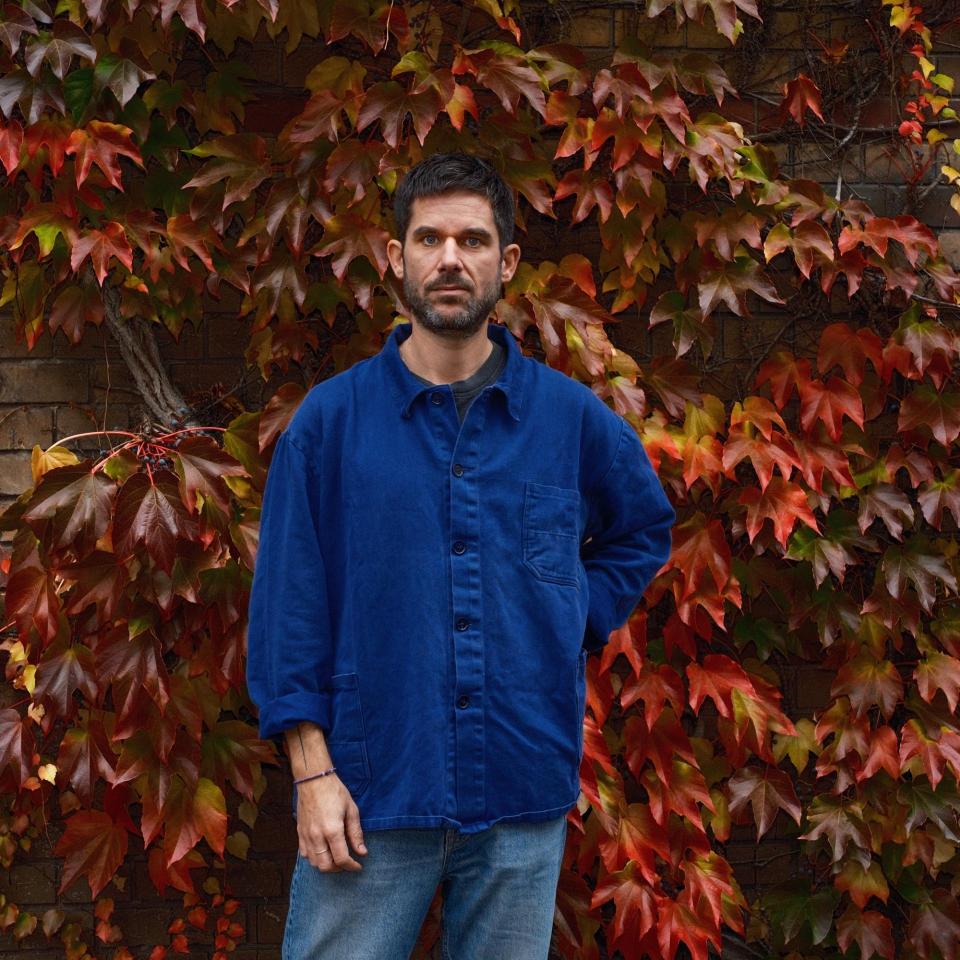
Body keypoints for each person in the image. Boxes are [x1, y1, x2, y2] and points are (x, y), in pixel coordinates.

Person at [245, 152, 676, 960]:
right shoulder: (329, 426)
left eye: (473, 240)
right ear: (397, 258)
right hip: (371, 794)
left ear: (505, 262)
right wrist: (311, 775)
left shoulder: (568, 420)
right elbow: (286, 613)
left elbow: (642, 528)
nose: (451, 259)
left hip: (521, 789)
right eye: (430, 238)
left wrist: (573, 614)